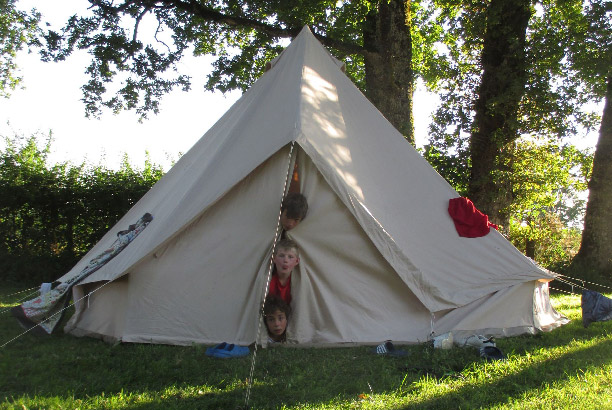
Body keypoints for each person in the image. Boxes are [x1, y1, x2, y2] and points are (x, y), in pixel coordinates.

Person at [268, 238, 299, 305]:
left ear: (297, 261)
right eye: (281, 256)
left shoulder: (299, 284)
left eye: (290, 257)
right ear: (274, 259)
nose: (285, 260)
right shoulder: (268, 283)